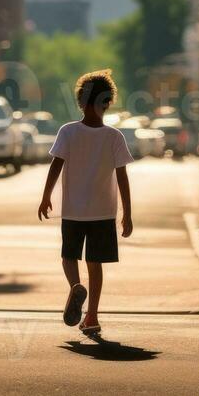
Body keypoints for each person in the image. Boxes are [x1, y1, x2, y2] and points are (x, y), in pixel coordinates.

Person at [37, 69, 133, 338]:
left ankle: (76, 286)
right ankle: (91, 316)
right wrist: (128, 212)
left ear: (80, 101)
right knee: (96, 263)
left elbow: (56, 166)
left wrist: (46, 197)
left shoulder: (68, 132)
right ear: (108, 102)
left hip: (74, 211)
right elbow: (122, 177)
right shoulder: (114, 137)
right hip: (103, 212)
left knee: (69, 255)